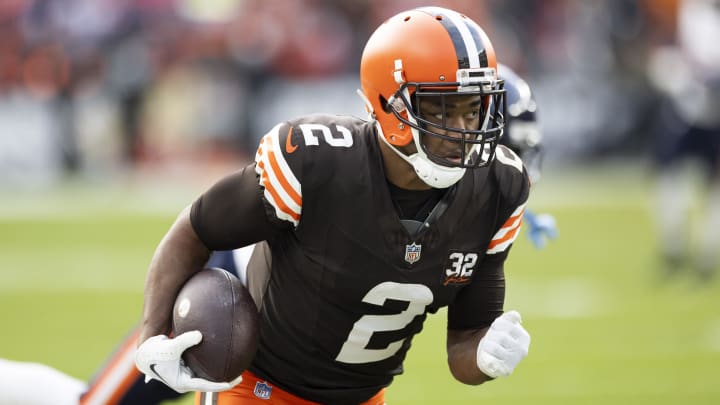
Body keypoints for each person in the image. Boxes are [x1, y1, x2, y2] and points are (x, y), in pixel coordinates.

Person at [134, 6, 531, 405]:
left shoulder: (499, 187)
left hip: (364, 398)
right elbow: (196, 229)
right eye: (444, 108)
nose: (463, 131)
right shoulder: (316, 162)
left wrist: (484, 354)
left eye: (473, 108)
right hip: (259, 389)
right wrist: (151, 335)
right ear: (388, 103)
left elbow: (463, 345)